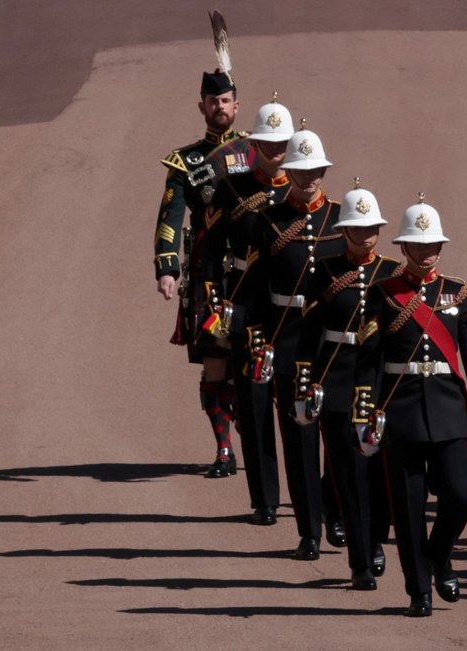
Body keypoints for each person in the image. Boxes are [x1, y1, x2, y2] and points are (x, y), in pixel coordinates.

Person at [355, 195, 467, 617]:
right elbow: (369, 363)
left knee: (459, 495)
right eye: (419, 245)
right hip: (401, 414)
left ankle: (438, 556)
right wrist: (365, 417)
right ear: (404, 248)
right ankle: (419, 589)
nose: (428, 250)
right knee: (408, 506)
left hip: (450, 410)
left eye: (433, 243)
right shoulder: (383, 296)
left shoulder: (459, 293)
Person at [152, 12, 253, 478]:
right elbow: (171, 217)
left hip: (253, 272)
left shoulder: (258, 151)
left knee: (257, 359)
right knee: (216, 362)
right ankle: (223, 449)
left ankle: (259, 445)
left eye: (226, 99)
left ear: (237, 103)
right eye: (212, 100)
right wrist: (167, 268)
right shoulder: (187, 160)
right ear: (201, 106)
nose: (220, 106)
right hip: (210, 274)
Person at [294, 181, 401, 590]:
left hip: (377, 382)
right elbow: (308, 336)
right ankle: (360, 560)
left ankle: (376, 538)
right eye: (357, 228)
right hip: (337, 381)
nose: (365, 235)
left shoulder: (391, 273)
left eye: (372, 227)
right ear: (343, 232)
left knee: (381, 475)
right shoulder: (324, 271)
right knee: (348, 474)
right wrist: (305, 388)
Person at [251, 126, 347, 560]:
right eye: (300, 170)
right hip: (289, 344)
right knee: (300, 442)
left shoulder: (345, 219)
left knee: (342, 439)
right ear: (288, 171)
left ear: (324, 170)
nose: (308, 178)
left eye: (315, 170)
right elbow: (254, 291)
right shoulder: (269, 221)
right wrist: (260, 343)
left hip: (334, 349)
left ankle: (336, 508)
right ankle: (309, 531)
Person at [200, 95, 295, 524]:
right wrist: (216, 304)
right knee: (255, 411)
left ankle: (313, 503)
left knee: (300, 414)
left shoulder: (302, 187)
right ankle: (266, 501)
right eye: (269, 143)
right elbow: (208, 252)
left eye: (283, 142)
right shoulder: (231, 187)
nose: (277, 150)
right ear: (253, 143)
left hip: (292, 313)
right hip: (247, 309)